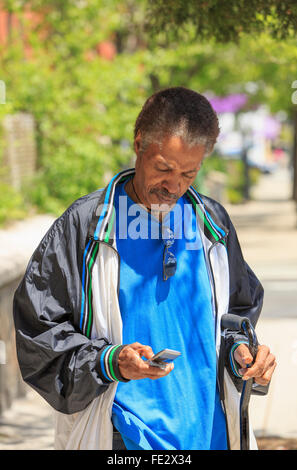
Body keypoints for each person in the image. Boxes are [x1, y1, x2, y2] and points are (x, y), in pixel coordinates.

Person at [13, 87, 276, 451]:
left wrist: (243, 353)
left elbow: (236, 314)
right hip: (123, 436)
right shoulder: (85, 227)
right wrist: (110, 362)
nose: (174, 186)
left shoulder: (212, 224)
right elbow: (38, 335)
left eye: (189, 173)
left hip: (211, 435)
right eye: (164, 168)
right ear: (139, 145)